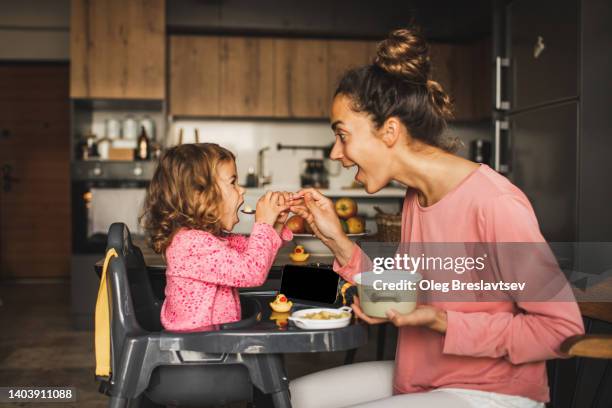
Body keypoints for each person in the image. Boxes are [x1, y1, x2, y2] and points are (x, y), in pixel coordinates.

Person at [288, 27, 584, 408]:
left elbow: (561, 329)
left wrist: (440, 320)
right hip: (420, 382)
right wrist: (336, 239)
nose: (335, 154)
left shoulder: (493, 202)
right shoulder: (418, 197)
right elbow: (399, 297)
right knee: (291, 397)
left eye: (343, 136)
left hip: (491, 394)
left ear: (390, 131)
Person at [141, 143, 293, 332]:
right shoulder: (191, 244)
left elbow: (253, 252)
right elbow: (252, 271)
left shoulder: (210, 238)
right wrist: (263, 224)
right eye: (233, 182)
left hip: (215, 341)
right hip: (199, 349)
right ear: (199, 195)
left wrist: (275, 225)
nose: (242, 190)